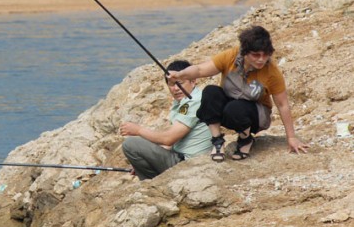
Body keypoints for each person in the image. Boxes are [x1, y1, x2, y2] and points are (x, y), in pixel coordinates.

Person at [167, 25, 309, 162]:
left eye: (265, 55)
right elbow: (199, 70)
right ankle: (217, 141)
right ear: (244, 52)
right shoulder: (231, 57)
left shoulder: (272, 72)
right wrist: (180, 75)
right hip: (230, 107)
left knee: (235, 108)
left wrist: (291, 137)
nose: (261, 59)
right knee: (210, 92)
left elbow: (282, 104)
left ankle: (245, 139)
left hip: (255, 115)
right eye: (256, 55)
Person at [119, 60, 212, 180]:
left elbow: (168, 139)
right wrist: (145, 160)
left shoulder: (194, 102)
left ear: (193, 81)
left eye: (179, 84)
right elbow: (173, 143)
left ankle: (152, 183)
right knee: (141, 150)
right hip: (180, 156)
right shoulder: (183, 101)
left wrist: (138, 130)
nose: (175, 89)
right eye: (171, 84)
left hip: (190, 165)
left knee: (130, 144)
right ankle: (153, 182)